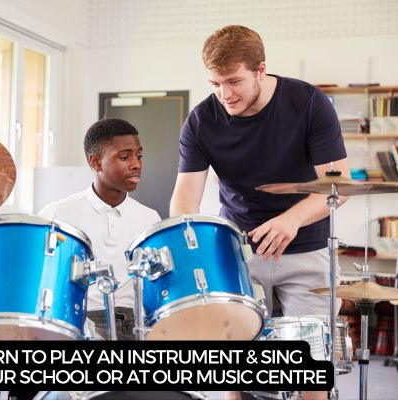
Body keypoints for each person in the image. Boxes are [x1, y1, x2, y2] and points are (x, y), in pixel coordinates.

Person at [169, 25, 350, 399]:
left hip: (306, 247)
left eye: (234, 81)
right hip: (239, 252)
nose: (224, 94)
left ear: (261, 69)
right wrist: (194, 250)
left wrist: (291, 219)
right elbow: (184, 199)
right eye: (215, 83)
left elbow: (339, 185)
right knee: (233, 369)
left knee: (311, 370)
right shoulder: (202, 120)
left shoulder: (309, 103)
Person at [39, 118, 161, 340]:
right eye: (124, 157)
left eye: (139, 156)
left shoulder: (149, 218)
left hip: (135, 325)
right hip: (79, 323)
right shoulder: (58, 215)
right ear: (95, 163)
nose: (136, 164)